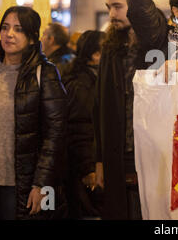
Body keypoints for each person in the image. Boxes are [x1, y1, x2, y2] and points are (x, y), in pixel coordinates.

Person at [0, 6, 67, 220]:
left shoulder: (44, 73)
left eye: (18, 29)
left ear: (33, 37)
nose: (9, 34)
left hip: (19, 184)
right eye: (5, 28)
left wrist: (41, 184)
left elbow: (55, 135)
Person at [92, 0, 142, 220]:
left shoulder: (155, 46)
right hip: (117, 154)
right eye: (109, 7)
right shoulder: (110, 49)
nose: (111, 14)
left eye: (118, 6)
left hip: (148, 151)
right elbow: (99, 106)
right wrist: (99, 160)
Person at [62, 30, 105, 219]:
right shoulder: (82, 84)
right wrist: (88, 168)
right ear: (95, 55)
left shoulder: (92, 78)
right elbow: (80, 127)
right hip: (83, 169)